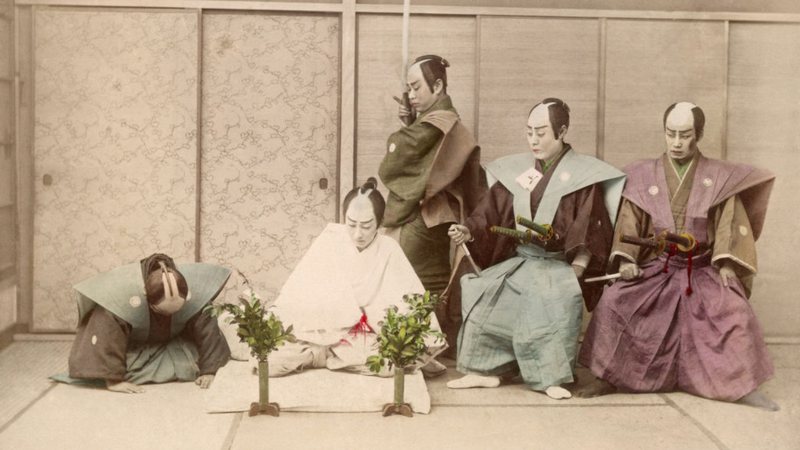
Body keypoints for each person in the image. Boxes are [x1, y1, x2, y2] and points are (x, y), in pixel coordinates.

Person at [577, 102, 778, 410]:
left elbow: (728, 225)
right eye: (670, 134)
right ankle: (610, 376)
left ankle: (740, 386)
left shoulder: (719, 178)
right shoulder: (644, 176)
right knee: (615, 301)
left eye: (685, 136)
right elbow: (630, 223)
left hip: (701, 269)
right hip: (657, 266)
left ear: (698, 135)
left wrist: (725, 263)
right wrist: (628, 260)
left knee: (734, 311)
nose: (676, 143)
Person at [446, 98, 625, 399]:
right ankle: (484, 370)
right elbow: (489, 214)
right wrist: (469, 230)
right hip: (521, 259)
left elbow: (591, 230)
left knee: (552, 303)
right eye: (529, 131)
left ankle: (550, 377)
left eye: (541, 133)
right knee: (483, 292)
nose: (533, 140)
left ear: (562, 131)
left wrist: (576, 272)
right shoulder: (521, 171)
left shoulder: (583, 177)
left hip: (557, 264)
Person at [261, 178, 446, 377]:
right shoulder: (330, 240)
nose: (358, 234)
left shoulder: (389, 249)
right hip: (320, 331)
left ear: (380, 222)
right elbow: (298, 292)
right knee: (270, 359)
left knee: (389, 364)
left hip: (365, 336)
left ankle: (323, 356)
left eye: (366, 226)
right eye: (351, 224)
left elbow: (407, 300)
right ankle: (323, 353)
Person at [378, 54, 486, 352]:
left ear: (437, 86)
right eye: (408, 89)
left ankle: (418, 345)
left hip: (428, 213)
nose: (411, 95)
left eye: (416, 88)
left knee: (407, 275)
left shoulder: (439, 121)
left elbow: (396, 156)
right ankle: (439, 342)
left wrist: (403, 132)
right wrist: (411, 122)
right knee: (432, 280)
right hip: (438, 215)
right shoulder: (435, 120)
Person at [60, 253, 232, 393]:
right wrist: (113, 381)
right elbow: (106, 334)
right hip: (133, 347)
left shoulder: (193, 293)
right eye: (163, 311)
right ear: (145, 296)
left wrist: (209, 371)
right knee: (123, 367)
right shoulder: (123, 295)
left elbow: (207, 331)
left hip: (173, 341)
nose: (170, 315)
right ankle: (117, 372)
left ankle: (166, 368)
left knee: (201, 358)